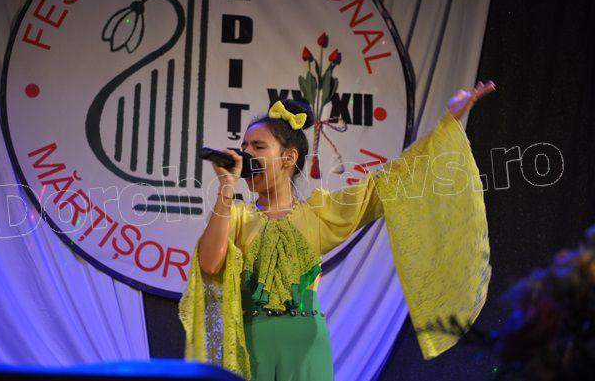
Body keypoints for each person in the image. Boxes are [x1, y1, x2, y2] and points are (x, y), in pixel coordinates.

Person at [179, 81, 497, 381]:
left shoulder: (320, 212)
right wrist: (226, 188)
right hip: (252, 347)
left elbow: (391, 181)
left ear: (289, 158)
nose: (246, 153)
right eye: (244, 146)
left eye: (258, 146)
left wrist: (447, 121)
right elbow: (210, 264)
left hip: (305, 348)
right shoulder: (235, 216)